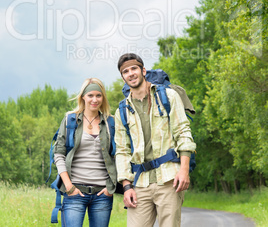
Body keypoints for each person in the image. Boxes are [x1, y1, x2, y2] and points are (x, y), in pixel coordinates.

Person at [114, 53, 196, 227]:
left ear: (143, 70)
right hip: (140, 183)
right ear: (123, 77)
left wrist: (184, 170)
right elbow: (122, 150)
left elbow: (183, 133)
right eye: (125, 71)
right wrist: (126, 186)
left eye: (134, 68)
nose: (131, 73)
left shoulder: (168, 96)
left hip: (168, 178)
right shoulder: (122, 110)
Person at [54, 77, 117, 227]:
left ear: (103, 97)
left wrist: (110, 187)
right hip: (75, 191)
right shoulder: (70, 120)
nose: (94, 99)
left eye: (98, 95)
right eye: (90, 95)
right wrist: (69, 186)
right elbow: (59, 154)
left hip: (102, 194)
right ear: (83, 97)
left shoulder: (111, 122)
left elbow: (119, 156)